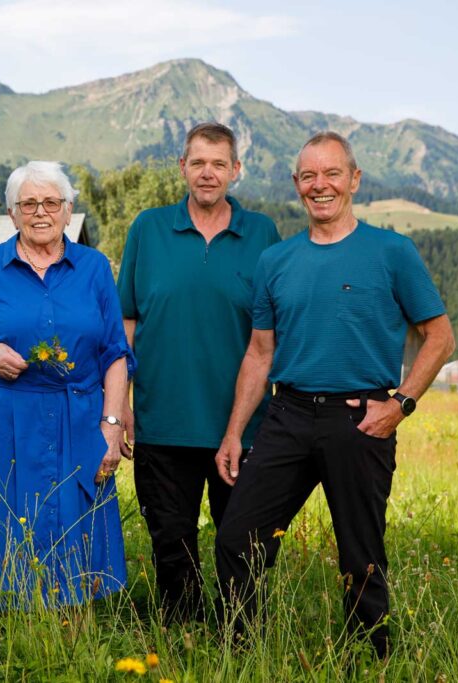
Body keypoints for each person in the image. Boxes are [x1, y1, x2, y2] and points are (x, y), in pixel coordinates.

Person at [214, 131, 456, 657]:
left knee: (360, 554)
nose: (319, 186)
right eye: (308, 176)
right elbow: (259, 354)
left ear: (354, 180)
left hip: (361, 417)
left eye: (331, 174)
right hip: (288, 414)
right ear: (296, 184)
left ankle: (369, 660)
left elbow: (440, 337)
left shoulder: (392, 252)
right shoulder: (275, 261)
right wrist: (234, 432)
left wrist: (402, 404)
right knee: (238, 539)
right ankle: (241, 654)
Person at [0, 161, 133, 606]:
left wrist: (111, 425)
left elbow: (115, 352)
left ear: (68, 211)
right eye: (29, 203)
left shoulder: (94, 267)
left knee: (70, 515)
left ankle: (71, 619)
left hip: (77, 415)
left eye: (51, 202)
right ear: (12, 213)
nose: (40, 212)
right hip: (1, 416)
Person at [117, 122, 281, 623]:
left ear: (236, 170)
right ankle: (184, 637)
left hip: (243, 426)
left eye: (218, 164)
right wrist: (119, 404)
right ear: (182, 168)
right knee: (172, 543)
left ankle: (240, 639)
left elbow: (271, 336)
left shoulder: (263, 235)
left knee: (245, 546)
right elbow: (125, 323)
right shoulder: (148, 228)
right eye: (197, 162)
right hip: (162, 421)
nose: (207, 173)